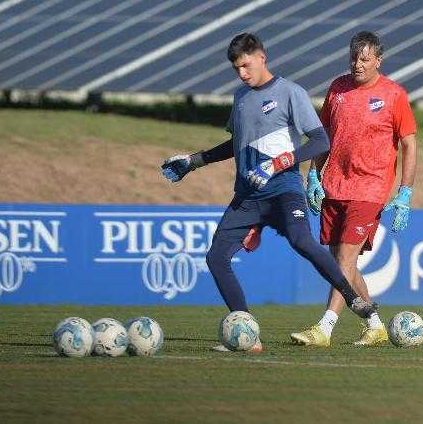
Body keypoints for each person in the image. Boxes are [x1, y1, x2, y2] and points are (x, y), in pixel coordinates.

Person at [160, 32, 378, 352]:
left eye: (246, 66)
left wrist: (279, 164)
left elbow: (320, 141)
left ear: (262, 57)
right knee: (216, 258)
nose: (242, 73)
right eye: (236, 69)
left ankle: (353, 298)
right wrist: (194, 161)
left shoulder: (290, 92)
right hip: (248, 196)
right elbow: (235, 145)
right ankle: (248, 335)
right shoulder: (241, 98)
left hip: (284, 189)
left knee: (301, 240)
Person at [290, 31, 417, 347]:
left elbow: (409, 144)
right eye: (353, 58)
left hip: (370, 189)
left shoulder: (393, 95)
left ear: (378, 60)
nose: (357, 64)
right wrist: (313, 176)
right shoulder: (337, 89)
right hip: (334, 186)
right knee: (342, 262)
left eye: (364, 59)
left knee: (343, 261)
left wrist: (405, 192)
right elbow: (324, 137)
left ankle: (325, 328)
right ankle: (374, 325)